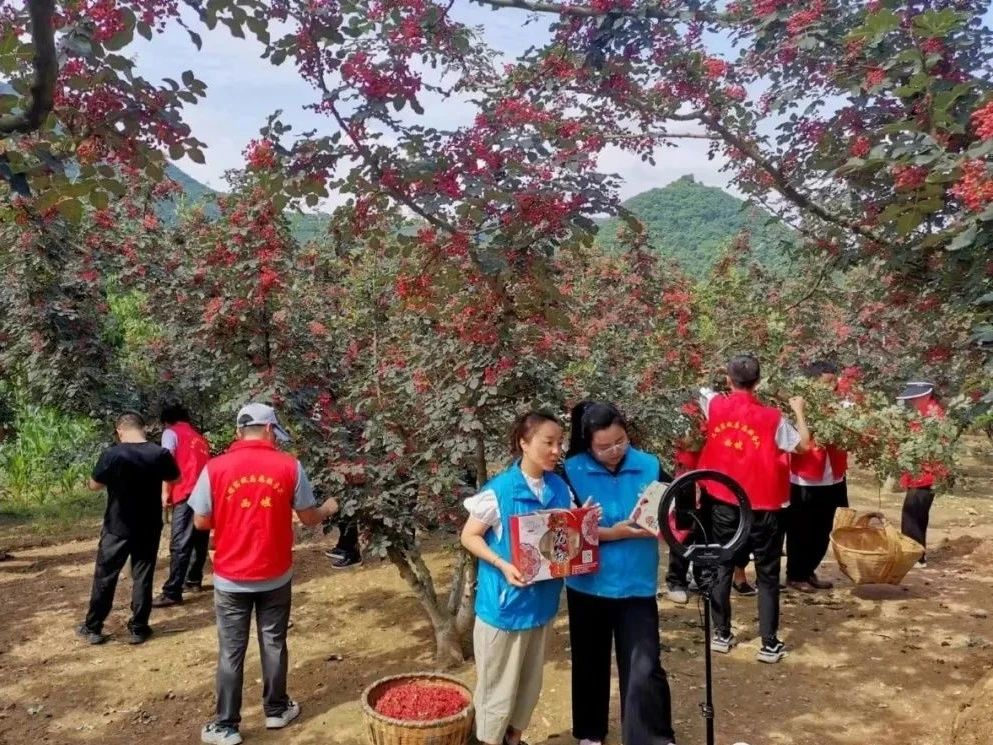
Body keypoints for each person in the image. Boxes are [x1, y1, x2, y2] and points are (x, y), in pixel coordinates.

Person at [190, 403, 339, 745]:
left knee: (231, 650)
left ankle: (226, 726)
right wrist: (329, 507)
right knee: (273, 642)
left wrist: (230, 516)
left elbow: (200, 521)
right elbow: (309, 518)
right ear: (270, 430)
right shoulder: (289, 466)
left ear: (238, 432)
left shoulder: (215, 468)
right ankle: (276, 709)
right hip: (275, 574)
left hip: (230, 577)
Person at [563, 402, 677, 745]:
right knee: (589, 661)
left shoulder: (650, 465)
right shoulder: (569, 471)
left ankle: (650, 737)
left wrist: (668, 521)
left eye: (620, 441)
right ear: (587, 443)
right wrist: (614, 533)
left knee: (644, 664)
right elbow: (562, 532)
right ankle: (590, 731)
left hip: (637, 583)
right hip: (588, 584)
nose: (614, 451)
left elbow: (674, 511)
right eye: (603, 446)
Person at [460, 411, 573, 745]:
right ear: (524, 443)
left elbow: (563, 544)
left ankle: (514, 739)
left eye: (560, 442)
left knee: (528, 688)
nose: (556, 450)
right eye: (548, 442)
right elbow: (469, 536)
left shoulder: (559, 488)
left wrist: (585, 524)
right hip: (505, 611)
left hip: (541, 608)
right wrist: (502, 564)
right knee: (497, 692)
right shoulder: (500, 492)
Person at [696, 354, 811, 664]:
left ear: (728, 379)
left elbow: (700, 386)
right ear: (758, 381)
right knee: (768, 574)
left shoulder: (714, 405)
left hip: (724, 502)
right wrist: (799, 411)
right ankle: (769, 644)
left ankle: (721, 634)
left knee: (722, 566)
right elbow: (803, 446)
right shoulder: (773, 417)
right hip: (764, 507)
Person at [76, 412, 180, 645]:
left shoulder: (113, 454)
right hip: (149, 524)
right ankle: (139, 628)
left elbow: (94, 485)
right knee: (143, 574)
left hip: (117, 525)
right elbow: (176, 479)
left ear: (120, 430)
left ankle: (93, 627)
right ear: (143, 428)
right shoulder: (159, 453)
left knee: (106, 575)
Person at [786, 360, 850, 593]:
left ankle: (809, 569)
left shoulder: (841, 406)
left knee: (824, 529)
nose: (831, 387)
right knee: (801, 529)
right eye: (826, 382)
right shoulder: (797, 407)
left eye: (834, 382)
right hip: (806, 478)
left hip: (833, 476)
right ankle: (795, 574)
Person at [663, 445, 754, 604]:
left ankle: (702, 578)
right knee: (685, 530)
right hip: (690, 474)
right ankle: (676, 581)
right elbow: (687, 441)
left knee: (707, 531)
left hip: (716, 478)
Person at [153, 401, 212, 606]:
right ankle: (193, 580)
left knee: (180, 542)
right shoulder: (199, 438)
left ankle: (172, 591)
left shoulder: (171, 433)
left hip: (185, 491)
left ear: (166, 421)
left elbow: (166, 462)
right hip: (205, 493)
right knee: (199, 538)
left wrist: (165, 492)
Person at [897, 381, 944, 566]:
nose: (912, 402)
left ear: (927, 395)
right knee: (917, 514)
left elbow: (932, 448)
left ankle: (914, 557)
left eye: (915, 398)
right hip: (919, 473)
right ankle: (918, 556)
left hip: (926, 474)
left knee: (912, 514)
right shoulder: (923, 413)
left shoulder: (934, 416)